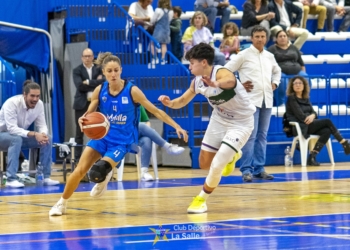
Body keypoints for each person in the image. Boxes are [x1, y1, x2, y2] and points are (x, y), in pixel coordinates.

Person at [49, 53, 188, 216]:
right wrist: (84, 119)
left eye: (116, 70)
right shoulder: (100, 90)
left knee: (97, 171)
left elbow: (155, 111)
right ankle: (61, 203)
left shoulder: (132, 91)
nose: (113, 74)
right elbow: (89, 112)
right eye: (109, 71)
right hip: (101, 138)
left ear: (121, 70)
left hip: (121, 142)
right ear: (104, 72)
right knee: (80, 170)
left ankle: (105, 174)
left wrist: (176, 125)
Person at [158, 43, 256, 213]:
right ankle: (233, 156)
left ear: (203, 63)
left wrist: (216, 83)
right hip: (219, 119)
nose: (189, 66)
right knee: (204, 164)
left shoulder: (220, 72)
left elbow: (230, 80)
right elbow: (181, 101)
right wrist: (169, 103)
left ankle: (201, 199)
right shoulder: (197, 82)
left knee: (217, 165)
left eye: (192, 63)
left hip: (241, 122)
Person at [225, 25, 281, 182]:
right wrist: (238, 85)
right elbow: (226, 70)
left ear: (266, 38)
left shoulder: (270, 56)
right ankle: (246, 169)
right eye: (257, 36)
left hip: (267, 100)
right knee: (250, 135)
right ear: (251, 38)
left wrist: (275, 83)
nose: (260, 39)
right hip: (250, 102)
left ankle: (259, 168)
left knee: (262, 136)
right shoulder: (243, 55)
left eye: (263, 36)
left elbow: (277, 71)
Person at [0, 80, 59, 188]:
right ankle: (10, 179)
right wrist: (35, 133)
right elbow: (12, 129)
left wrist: (43, 135)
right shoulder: (11, 103)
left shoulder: (39, 104)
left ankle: (46, 177)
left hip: (19, 137)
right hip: (2, 135)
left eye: (38, 96)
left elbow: (42, 125)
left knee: (48, 138)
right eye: (32, 96)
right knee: (16, 139)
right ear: (25, 94)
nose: (35, 99)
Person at [285, 76, 350, 165]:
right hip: (301, 126)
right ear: (292, 86)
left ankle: (312, 157)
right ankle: (344, 142)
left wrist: (312, 115)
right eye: (295, 83)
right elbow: (300, 116)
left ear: (304, 86)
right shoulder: (292, 98)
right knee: (327, 121)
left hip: (309, 123)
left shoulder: (305, 98)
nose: (298, 85)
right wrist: (311, 117)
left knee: (327, 131)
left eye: (300, 83)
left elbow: (314, 112)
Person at [138, 106, 185, 181]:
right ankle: (168, 146)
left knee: (147, 140)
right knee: (141, 126)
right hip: (122, 136)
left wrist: (176, 126)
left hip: (136, 137)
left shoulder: (138, 103)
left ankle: (144, 173)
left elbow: (150, 118)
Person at [73, 48, 104, 160]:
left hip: (96, 104)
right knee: (79, 132)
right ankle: (77, 159)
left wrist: (88, 82)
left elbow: (103, 83)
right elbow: (80, 86)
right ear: (82, 57)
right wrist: (95, 82)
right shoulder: (77, 70)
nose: (87, 58)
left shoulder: (99, 69)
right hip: (82, 103)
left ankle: (98, 157)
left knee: (99, 129)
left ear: (92, 57)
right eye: (85, 56)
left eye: (89, 56)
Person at [268, 30, 307, 106]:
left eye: (284, 36)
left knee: (306, 78)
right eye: (280, 36)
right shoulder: (272, 49)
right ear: (276, 39)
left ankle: (303, 101)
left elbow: (301, 63)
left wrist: (304, 73)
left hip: (297, 71)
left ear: (288, 38)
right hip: (280, 72)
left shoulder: (293, 48)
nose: (282, 38)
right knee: (282, 81)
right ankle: (281, 103)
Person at [150, 0, 174, 65]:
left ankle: (155, 58)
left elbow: (152, 20)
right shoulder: (171, 11)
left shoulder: (158, 10)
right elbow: (169, 20)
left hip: (159, 29)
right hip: (166, 30)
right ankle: (163, 59)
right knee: (164, 44)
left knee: (152, 43)